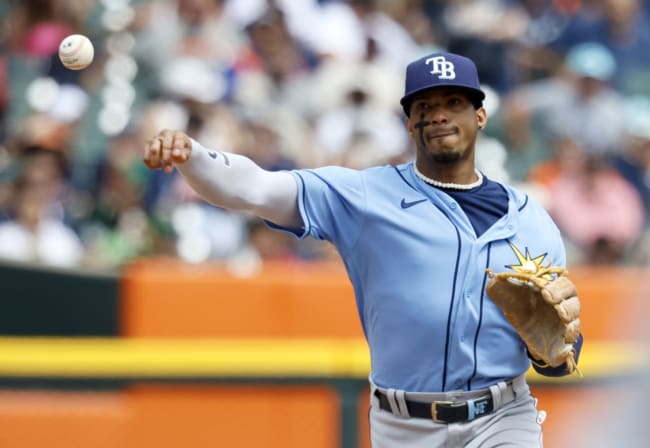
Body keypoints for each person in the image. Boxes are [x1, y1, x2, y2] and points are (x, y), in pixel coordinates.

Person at [143, 51, 583, 447]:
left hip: (503, 418)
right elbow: (257, 188)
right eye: (425, 107)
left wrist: (556, 353)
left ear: (481, 115)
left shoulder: (532, 219)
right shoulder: (366, 195)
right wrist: (193, 156)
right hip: (404, 425)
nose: (440, 116)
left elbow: (561, 354)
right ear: (410, 123)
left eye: (455, 103)